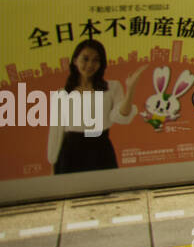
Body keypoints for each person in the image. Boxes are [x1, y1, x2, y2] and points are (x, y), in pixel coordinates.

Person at [46, 39, 144, 175]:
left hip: (100, 150)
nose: (90, 64)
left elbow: (120, 117)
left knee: (107, 193)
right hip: (70, 154)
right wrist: (52, 163)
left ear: (101, 63)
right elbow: (56, 132)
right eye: (85, 59)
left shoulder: (112, 87)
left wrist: (130, 88)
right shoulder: (62, 94)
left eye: (95, 60)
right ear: (75, 60)